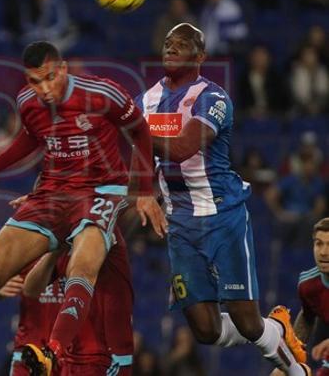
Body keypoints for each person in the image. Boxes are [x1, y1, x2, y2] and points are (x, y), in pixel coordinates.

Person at [0, 41, 165, 376]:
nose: (43, 89)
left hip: (100, 190)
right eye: (34, 81)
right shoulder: (28, 103)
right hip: (51, 192)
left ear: (63, 69)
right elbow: (30, 137)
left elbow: (140, 131)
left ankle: (52, 351)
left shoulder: (102, 93)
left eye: (49, 78)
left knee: (81, 267)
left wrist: (143, 191)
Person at [136, 22, 310, 375]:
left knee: (247, 322)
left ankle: (295, 366)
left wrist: (134, 129)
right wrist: (142, 192)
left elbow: (183, 148)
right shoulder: (148, 99)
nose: (171, 48)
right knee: (205, 330)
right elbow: (136, 155)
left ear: (200, 56)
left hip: (222, 217)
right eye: (169, 43)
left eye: (182, 44)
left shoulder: (213, 98)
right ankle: (275, 332)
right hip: (180, 224)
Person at [20, 233, 134, 376]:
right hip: (71, 358)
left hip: (105, 358)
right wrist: (54, 252)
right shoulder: (69, 242)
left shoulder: (103, 233)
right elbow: (31, 290)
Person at [271, 218, 329, 376]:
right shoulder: (308, 285)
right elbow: (307, 316)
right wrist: (290, 358)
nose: (323, 252)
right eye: (319, 243)